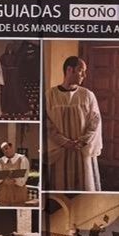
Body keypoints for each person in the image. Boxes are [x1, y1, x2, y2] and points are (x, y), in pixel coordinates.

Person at [46, 56, 102, 191]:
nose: (84, 75)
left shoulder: (88, 95)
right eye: (81, 70)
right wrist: (64, 142)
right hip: (60, 152)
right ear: (69, 70)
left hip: (81, 151)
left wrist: (82, 141)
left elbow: (95, 121)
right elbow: (46, 122)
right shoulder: (50, 95)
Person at [0, 141, 30, 206]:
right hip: (3, 195)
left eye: (6, 148)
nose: (5, 151)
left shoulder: (22, 159)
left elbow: (23, 180)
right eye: (3, 150)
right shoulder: (0, 161)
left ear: (11, 147)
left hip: (18, 195)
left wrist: (9, 176)